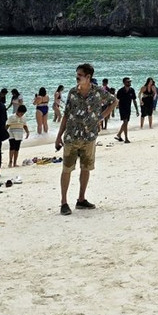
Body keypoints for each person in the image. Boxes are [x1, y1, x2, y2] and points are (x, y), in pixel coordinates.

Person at [55, 63, 117, 215]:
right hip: (71, 136)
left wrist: (101, 117)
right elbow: (66, 115)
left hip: (89, 137)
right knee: (67, 169)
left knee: (86, 168)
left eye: (80, 75)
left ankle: (81, 199)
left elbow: (114, 101)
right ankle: (64, 202)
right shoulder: (72, 93)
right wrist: (58, 136)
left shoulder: (98, 92)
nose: (77, 77)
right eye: (77, 75)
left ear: (88, 77)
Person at [115, 78, 137, 143]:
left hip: (128, 108)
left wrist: (137, 110)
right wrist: (114, 110)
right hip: (122, 108)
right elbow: (116, 100)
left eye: (130, 81)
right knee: (125, 122)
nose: (129, 83)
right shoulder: (120, 91)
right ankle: (126, 138)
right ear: (124, 83)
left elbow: (134, 100)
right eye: (128, 82)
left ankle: (119, 134)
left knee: (125, 122)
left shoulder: (132, 90)